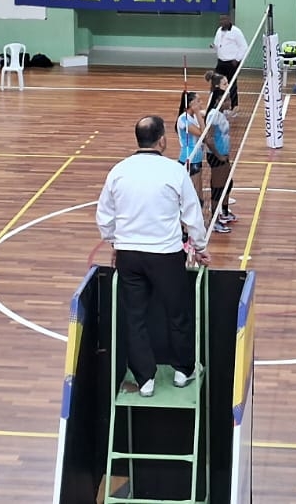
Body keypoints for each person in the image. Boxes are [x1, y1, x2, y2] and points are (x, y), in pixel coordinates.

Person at [96, 115, 212, 397]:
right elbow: (192, 213)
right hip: (165, 256)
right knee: (178, 313)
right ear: (162, 140)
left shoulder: (118, 171)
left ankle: (145, 379)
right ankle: (184, 370)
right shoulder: (174, 172)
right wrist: (200, 245)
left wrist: (114, 242)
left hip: (129, 256)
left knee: (135, 317)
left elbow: (104, 217)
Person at [205, 91, 235, 232]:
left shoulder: (220, 114)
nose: (230, 102)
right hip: (217, 157)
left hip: (223, 155)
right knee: (217, 189)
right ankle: (214, 221)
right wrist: (219, 156)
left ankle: (224, 212)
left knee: (228, 183)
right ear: (218, 100)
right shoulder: (213, 115)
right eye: (227, 100)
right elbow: (209, 139)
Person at [176, 90, 207, 210]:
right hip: (189, 159)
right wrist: (198, 113)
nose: (201, 103)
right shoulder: (184, 119)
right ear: (190, 104)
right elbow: (202, 134)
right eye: (198, 101)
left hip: (196, 157)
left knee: (198, 192)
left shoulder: (191, 116)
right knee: (194, 194)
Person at [211, 14, 246, 109]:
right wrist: (214, 46)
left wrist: (237, 59)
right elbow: (217, 43)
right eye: (221, 19)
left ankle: (234, 106)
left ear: (229, 20)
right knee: (216, 83)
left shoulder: (236, 32)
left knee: (232, 85)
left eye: (224, 19)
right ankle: (215, 105)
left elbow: (244, 46)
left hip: (231, 63)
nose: (222, 21)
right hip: (221, 62)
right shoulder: (219, 30)